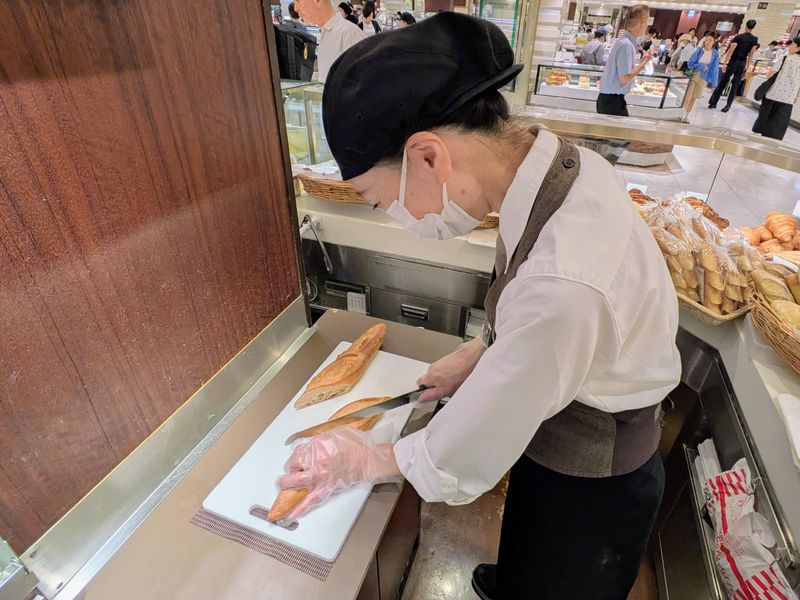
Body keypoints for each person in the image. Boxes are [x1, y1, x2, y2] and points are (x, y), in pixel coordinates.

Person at [278, 12, 680, 600]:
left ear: (428, 157)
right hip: (555, 434)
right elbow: (530, 318)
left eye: (379, 199)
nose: (396, 216)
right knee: (523, 563)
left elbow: (468, 451)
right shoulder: (552, 168)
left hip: (594, 482)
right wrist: (478, 354)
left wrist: (363, 461)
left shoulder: (563, 280)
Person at [597, 4, 653, 116]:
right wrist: (644, 62)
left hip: (610, 100)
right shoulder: (626, 45)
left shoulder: (625, 42)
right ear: (643, 22)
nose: (648, 25)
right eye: (648, 21)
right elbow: (624, 77)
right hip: (612, 101)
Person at [294, 0, 365, 81]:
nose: (295, 8)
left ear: (318, 1)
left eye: (298, 1)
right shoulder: (326, 32)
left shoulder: (349, 33)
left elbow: (364, 81)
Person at [752, 36, 800, 140]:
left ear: (798, 48)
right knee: (778, 125)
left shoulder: (785, 58)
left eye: (793, 44)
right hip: (788, 99)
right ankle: (771, 142)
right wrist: (796, 96)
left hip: (773, 94)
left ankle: (758, 139)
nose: (790, 46)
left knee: (763, 119)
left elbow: (771, 74)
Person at [709, 19, 759, 112]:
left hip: (733, 62)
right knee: (735, 85)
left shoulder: (738, 37)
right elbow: (751, 55)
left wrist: (725, 63)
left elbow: (731, 51)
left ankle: (713, 103)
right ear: (753, 27)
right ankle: (728, 106)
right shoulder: (754, 39)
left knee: (723, 82)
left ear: (746, 26)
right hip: (742, 63)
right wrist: (748, 67)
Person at [681, 33, 721, 123]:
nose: (707, 42)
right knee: (688, 97)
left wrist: (714, 83)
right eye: (706, 40)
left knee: (694, 98)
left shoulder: (715, 54)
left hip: (704, 78)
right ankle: (681, 114)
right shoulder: (699, 50)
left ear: (714, 42)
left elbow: (715, 69)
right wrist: (701, 66)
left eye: (710, 40)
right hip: (694, 75)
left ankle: (686, 116)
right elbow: (690, 63)